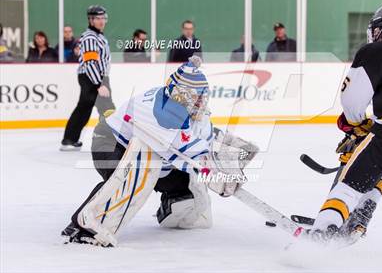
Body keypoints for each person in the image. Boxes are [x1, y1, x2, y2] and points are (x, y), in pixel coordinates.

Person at [61, 55, 258, 246]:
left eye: (202, 96)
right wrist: (218, 175)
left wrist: (230, 155)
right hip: (110, 143)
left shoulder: (183, 105)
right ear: (180, 95)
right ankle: (85, 225)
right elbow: (192, 155)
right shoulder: (162, 114)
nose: (200, 103)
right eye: (195, 98)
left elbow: (204, 141)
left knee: (186, 184)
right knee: (128, 177)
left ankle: (172, 206)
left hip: (147, 147)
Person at [297, 6, 382, 245]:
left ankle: (320, 235)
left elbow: (352, 99)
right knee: (376, 168)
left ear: (381, 29)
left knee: (349, 184)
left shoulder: (375, 50)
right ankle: (358, 222)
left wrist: (356, 124)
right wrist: (370, 126)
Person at [60, 5, 115, 151]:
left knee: (85, 108)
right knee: (107, 108)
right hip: (92, 78)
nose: (101, 21)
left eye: (103, 18)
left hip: (96, 78)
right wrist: (99, 84)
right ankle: (112, 141)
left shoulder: (98, 36)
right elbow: (90, 62)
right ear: (90, 20)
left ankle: (70, 139)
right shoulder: (90, 37)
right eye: (98, 18)